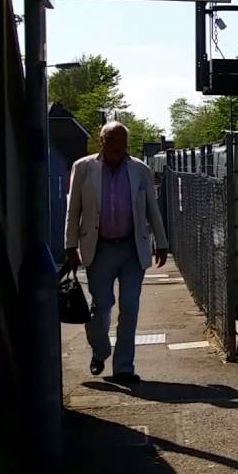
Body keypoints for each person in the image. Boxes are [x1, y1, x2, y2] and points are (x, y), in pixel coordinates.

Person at [64, 122, 168, 383]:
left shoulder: (139, 170)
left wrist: (162, 242)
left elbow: (152, 209)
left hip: (132, 248)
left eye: (121, 140)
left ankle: (124, 367)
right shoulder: (84, 168)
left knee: (130, 306)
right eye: (111, 139)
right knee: (102, 308)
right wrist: (70, 245)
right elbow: (73, 208)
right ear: (101, 141)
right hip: (99, 249)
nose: (117, 145)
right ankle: (100, 351)